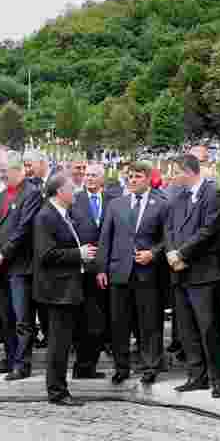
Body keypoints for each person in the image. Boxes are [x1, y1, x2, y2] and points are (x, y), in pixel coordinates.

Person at [164, 154, 220, 398]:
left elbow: (209, 231)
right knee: (186, 329)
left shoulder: (214, 195)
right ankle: (197, 375)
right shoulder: (179, 197)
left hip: (203, 272)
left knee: (208, 328)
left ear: (188, 171)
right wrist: (172, 253)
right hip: (179, 272)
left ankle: (218, 378)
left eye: (176, 172)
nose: (173, 177)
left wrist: (182, 254)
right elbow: (169, 227)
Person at [98, 162, 168, 386]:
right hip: (119, 272)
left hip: (147, 272)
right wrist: (101, 267)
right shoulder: (115, 204)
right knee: (119, 323)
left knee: (149, 322)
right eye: (130, 176)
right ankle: (121, 367)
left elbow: (168, 238)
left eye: (138, 176)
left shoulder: (162, 204)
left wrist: (153, 253)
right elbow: (105, 238)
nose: (132, 180)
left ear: (148, 178)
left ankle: (150, 366)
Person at [33, 174, 93, 406]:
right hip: (57, 291)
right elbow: (45, 254)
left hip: (67, 288)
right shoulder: (46, 216)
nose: (75, 191)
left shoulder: (61, 214)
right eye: (71, 188)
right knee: (58, 344)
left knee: (63, 342)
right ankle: (57, 391)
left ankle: (59, 388)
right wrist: (79, 254)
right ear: (59, 192)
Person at [0, 151, 42, 380]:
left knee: (22, 318)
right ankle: (10, 358)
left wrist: (4, 254)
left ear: (19, 171)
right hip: (0, 266)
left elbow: (24, 228)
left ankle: (22, 363)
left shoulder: (31, 194)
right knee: (6, 317)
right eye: (0, 173)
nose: (2, 177)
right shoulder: (1, 196)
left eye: (5, 173)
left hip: (20, 266)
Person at [69, 162, 112, 379]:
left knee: (102, 320)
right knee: (85, 320)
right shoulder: (74, 200)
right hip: (82, 270)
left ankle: (90, 364)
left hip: (108, 270)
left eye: (94, 175)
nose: (89, 178)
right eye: (87, 175)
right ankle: (83, 365)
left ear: (103, 179)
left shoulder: (114, 200)